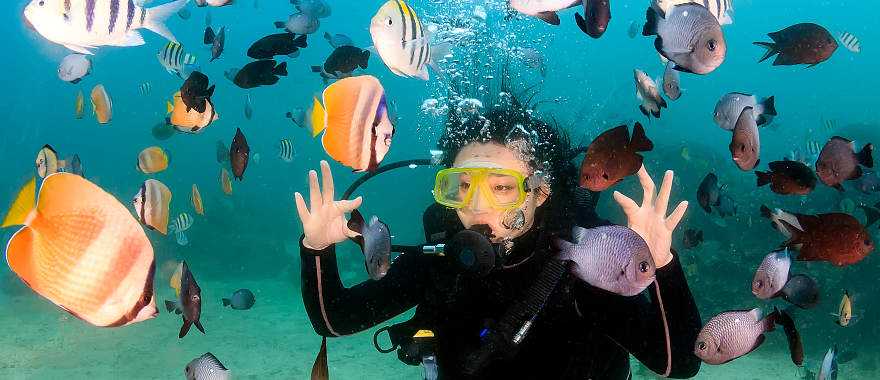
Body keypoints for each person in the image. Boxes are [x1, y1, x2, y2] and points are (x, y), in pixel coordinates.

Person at [294, 94, 702, 379]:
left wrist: (662, 263)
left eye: (502, 187)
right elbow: (336, 320)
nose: (477, 206)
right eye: (461, 185)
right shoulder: (441, 261)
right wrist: (316, 248)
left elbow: (680, 361)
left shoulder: (581, 267)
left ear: (540, 193)